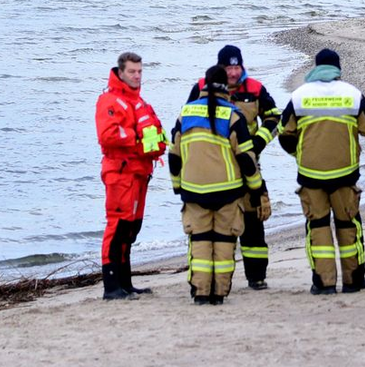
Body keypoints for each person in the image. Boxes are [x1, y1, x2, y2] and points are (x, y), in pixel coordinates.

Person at [279, 48, 365, 294]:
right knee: (348, 226)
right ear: (338, 69)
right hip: (345, 173)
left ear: (316, 67)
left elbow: (283, 133)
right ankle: (353, 281)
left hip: (310, 174)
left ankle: (324, 284)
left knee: (318, 228)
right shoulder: (352, 94)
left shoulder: (300, 95)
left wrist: (299, 154)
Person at [185, 44, 281, 290]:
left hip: (248, 161)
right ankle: (206, 278)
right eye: (228, 68)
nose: (233, 73)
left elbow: (274, 117)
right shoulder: (200, 87)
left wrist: (258, 142)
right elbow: (187, 122)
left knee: (253, 220)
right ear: (220, 68)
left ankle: (256, 276)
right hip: (215, 165)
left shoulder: (255, 89)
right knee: (211, 225)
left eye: (237, 67)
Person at [169, 64, 264, 305]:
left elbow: (174, 156)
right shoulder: (233, 116)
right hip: (228, 192)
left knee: (199, 243)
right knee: (224, 242)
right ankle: (219, 293)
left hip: (193, 191)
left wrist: (178, 186)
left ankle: (201, 293)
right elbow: (247, 159)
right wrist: (256, 189)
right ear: (225, 87)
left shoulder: (185, 113)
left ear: (204, 84)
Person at [94, 51, 167, 301]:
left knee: (131, 229)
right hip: (120, 172)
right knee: (118, 226)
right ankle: (111, 287)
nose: (137, 76)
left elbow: (155, 135)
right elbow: (108, 135)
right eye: (132, 72)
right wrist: (137, 138)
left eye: (139, 72)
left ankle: (125, 284)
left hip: (140, 172)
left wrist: (154, 143)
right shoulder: (110, 101)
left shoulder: (139, 102)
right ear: (121, 72)